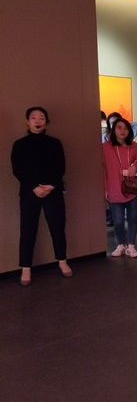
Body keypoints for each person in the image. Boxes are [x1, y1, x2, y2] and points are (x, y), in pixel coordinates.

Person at [11, 107, 72, 285]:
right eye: (33, 118)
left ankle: (62, 261)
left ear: (46, 121)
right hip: (29, 193)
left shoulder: (55, 143)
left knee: (57, 227)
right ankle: (26, 268)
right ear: (27, 121)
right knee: (27, 230)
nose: (37, 121)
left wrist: (51, 185)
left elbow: (60, 166)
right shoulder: (19, 144)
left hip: (53, 191)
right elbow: (17, 169)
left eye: (41, 118)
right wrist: (34, 187)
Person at [102, 117, 137, 258]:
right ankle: (121, 244)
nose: (123, 131)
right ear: (113, 130)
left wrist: (135, 168)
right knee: (118, 221)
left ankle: (131, 246)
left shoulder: (134, 146)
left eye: (126, 128)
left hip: (131, 188)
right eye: (119, 128)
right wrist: (106, 189)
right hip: (114, 189)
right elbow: (104, 170)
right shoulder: (105, 147)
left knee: (132, 219)